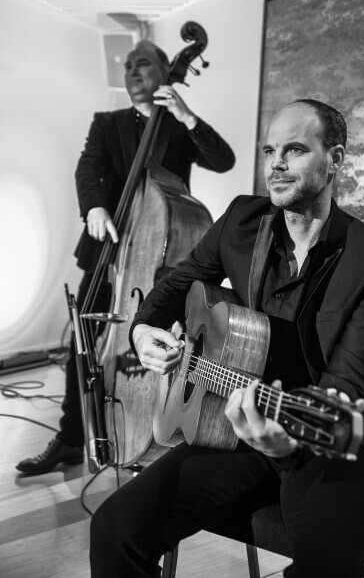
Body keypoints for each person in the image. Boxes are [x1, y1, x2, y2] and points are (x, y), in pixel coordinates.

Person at [89, 98, 364, 578]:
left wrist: (285, 445)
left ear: (335, 160)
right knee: (115, 527)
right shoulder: (241, 221)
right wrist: (141, 330)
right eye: (268, 151)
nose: (275, 164)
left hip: (329, 442)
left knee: (326, 570)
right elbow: (178, 283)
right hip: (235, 425)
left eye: (294, 150)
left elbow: (346, 386)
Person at [16, 40, 235, 475]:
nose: (132, 70)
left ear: (164, 70)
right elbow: (87, 168)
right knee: (84, 344)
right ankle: (70, 438)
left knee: (156, 350)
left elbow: (223, 160)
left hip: (157, 260)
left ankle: (145, 435)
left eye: (143, 63)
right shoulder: (108, 122)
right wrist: (94, 207)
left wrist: (187, 117)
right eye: (128, 65)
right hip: (109, 257)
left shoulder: (177, 125)